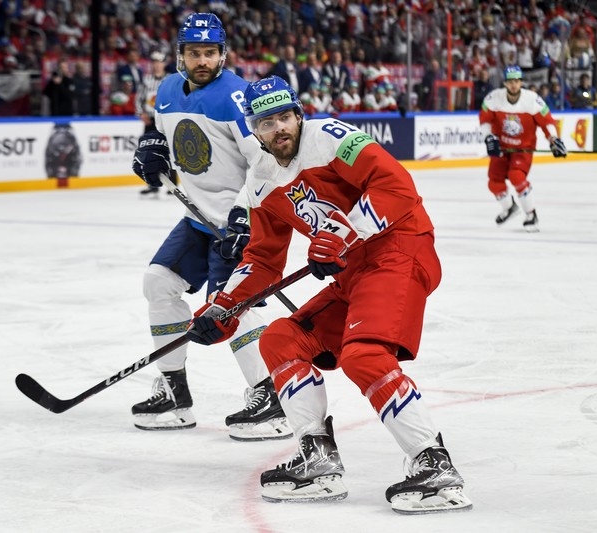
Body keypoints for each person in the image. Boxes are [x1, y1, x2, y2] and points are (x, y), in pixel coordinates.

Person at [184, 75, 473, 514]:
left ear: (299, 115)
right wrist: (222, 307)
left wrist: (341, 234)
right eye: (266, 122)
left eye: (285, 117)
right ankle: (317, 459)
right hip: (354, 272)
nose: (279, 128)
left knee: (364, 354)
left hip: (399, 249)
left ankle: (434, 465)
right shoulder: (260, 181)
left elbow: (397, 187)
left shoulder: (331, 137)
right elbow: (263, 260)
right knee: (280, 340)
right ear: (254, 130)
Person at [130, 13, 290, 441]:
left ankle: (270, 399)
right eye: (194, 53)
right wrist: (151, 147)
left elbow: (266, 162)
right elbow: (163, 132)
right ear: (180, 55)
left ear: (223, 54)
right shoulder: (166, 90)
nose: (203, 60)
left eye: (210, 53)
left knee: (233, 306)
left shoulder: (237, 97)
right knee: (158, 281)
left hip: (245, 220)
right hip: (199, 219)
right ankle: (174, 394)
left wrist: (244, 214)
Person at [479, 65, 567, 232]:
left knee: (516, 176)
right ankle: (510, 208)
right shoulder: (493, 99)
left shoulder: (532, 100)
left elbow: (547, 122)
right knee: (494, 182)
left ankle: (531, 214)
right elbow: (485, 121)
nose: (514, 85)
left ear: (521, 82)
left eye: (517, 81)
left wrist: (553, 140)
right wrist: (488, 137)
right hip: (502, 148)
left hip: (523, 149)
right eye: (511, 81)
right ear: (505, 83)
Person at [135, 51, 170, 196]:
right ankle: (152, 183)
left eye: (159, 62)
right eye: (154, 62)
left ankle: (171, 184)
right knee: (148, 151)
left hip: (165, 120)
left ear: (164, 64)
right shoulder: (146, 79)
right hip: (150, 119)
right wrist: (140, 113)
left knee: (169, 151)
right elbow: (139, 98)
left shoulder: (169, 80)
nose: (157, 65)